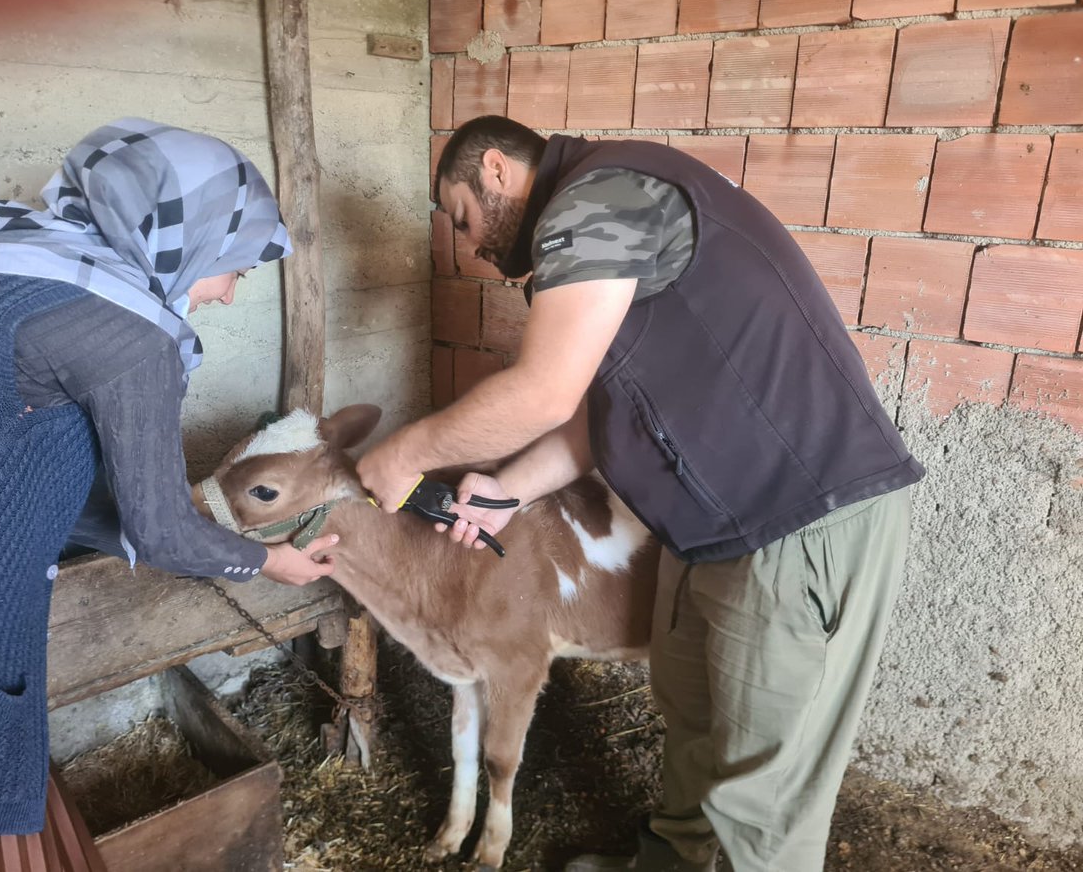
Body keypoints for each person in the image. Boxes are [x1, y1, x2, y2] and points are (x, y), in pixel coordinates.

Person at [357, 115, 924, 872]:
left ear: (495, 168)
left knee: (762, 791)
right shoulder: (605, 211)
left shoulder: (598, 199)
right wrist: (507, 491)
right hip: (714, 523)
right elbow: (599, 410)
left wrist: (404, 453)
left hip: (794, 515)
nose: (470, 247)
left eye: (463, 218)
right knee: (693, 725)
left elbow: (544, 393)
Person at [0, 118, 338, 868]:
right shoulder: (125, 327)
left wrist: (175, 511)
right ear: (186, 237)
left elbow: (6, 458)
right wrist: (270, 562)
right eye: (234, 270)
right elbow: (160, 535)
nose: (224, 297)